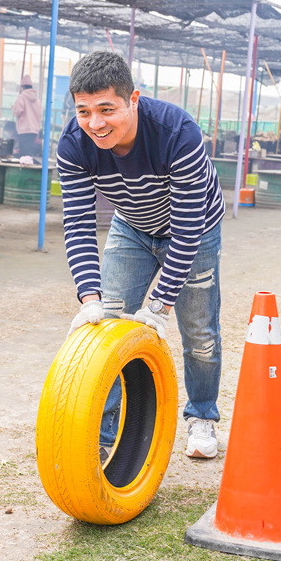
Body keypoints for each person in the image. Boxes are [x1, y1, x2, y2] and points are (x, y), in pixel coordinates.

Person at [58, 51, 225, 460]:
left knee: (199, 333)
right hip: (131, 225)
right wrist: (89, 298)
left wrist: (159, 305)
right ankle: (104, 433)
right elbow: (79, 224)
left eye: (106, 109)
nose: (95, 123)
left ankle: (201, 415)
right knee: (107, 327)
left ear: (133, 98)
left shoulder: (177, 132)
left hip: (195, 229)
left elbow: (186, 228)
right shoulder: (73, 146)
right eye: (84, 111)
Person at [11, 74, 42, 157]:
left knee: (23, 153)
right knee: (29, 153)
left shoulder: (22, 97)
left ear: (22, 87)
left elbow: (17, 111)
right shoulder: (37, 99)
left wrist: (13, 108)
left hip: (23, 129)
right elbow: (39, 114)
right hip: (34, 130)